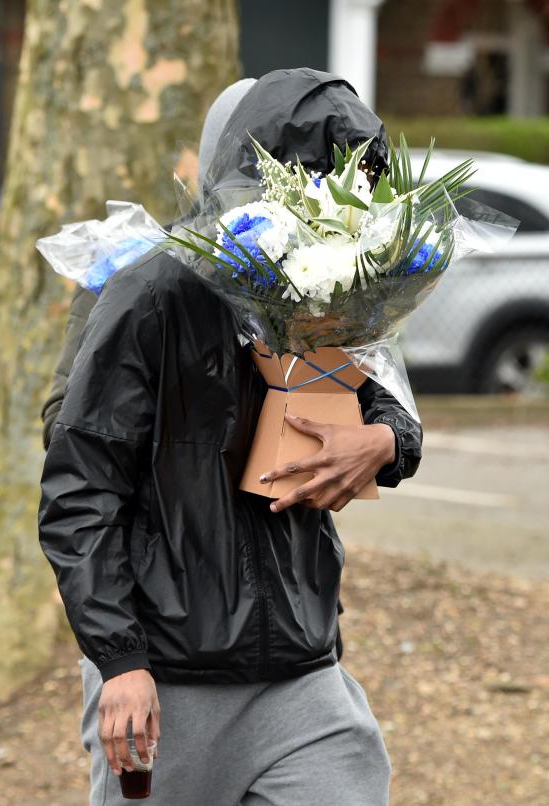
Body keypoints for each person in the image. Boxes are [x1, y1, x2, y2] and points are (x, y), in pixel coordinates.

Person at [38, 68, 422, 805]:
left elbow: (389, 403)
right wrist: (119, 661)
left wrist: (386, 444)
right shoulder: (150, 293)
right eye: (306, 181)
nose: (325, 207)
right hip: (169, 680)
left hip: (303, 674)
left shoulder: (330, 289)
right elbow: (78, 488)